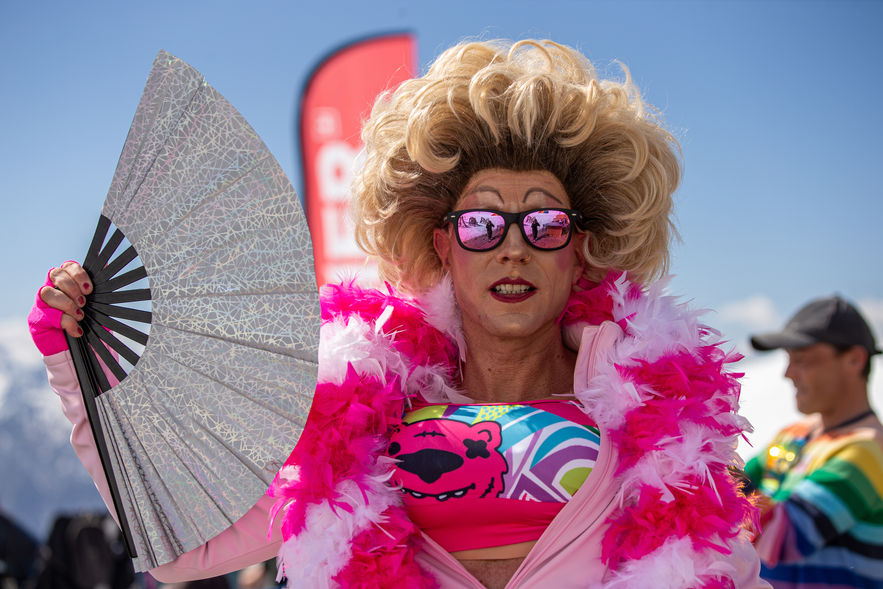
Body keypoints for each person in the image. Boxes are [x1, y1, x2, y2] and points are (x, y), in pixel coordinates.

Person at [29, 39, 769, 588]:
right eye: (481, 225)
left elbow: (719, 566)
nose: (513, 248)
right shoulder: (360, 411)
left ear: (579, 251)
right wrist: (78, 365)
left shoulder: (656, 410)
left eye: (545, 225)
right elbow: (181, 547)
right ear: (443, 245)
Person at [745, 296, 883, 588]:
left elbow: (782, 536)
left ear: (855, 359)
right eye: (788, 359)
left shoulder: (869, 451)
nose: (788, 373)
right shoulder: (793, 435)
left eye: (803, 360)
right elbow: (739, 479)